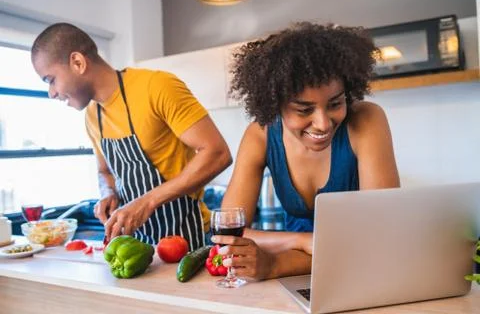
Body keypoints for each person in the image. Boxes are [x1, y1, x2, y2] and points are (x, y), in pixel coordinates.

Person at [212, 22, 400, 279]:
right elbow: (229, 234)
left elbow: (382, 231)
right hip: (302, 273)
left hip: (361, 269)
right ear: (275, 105)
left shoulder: (366, 120)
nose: (323, 123)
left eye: (335, 103)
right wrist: (302, 240)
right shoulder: (261, 135)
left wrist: (276, 264)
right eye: (304, 110)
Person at [31, 23, 232, 249]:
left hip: (187, 238)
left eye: (50, 80)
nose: (51, 93)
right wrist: (108, 193)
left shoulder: (157, 86)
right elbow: (104, 171)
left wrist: (146, 203)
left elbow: (217, 153)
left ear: (78, 62)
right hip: (135, 245)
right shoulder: (91, 115)